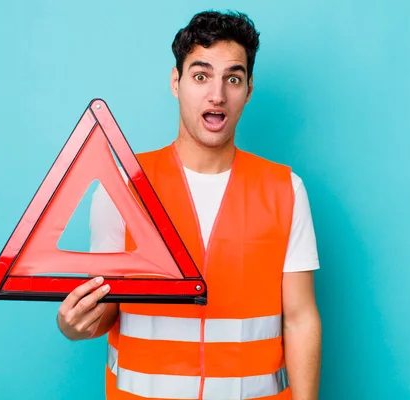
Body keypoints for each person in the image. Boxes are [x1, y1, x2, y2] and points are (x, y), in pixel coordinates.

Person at [57, 10, 322, 400]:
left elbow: (300, 319)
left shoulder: (286, 189)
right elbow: (106, 309)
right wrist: (74, 325)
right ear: (176, 83)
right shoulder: (123, 188)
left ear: (248, 90)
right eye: (201, 76)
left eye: (233, 78)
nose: (217, 94)